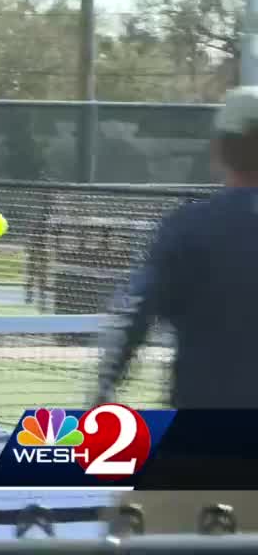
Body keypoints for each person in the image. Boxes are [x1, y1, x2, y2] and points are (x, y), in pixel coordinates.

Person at [95, 85, 258, 533]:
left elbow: (134, 319)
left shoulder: (188, 228)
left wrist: (104, 390)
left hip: (197, 443)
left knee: (126, 535)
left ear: (220, 149)